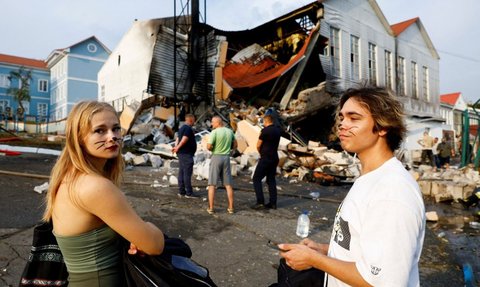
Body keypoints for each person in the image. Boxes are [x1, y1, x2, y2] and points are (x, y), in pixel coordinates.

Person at [278, 86, 426, 286]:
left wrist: (314, 260)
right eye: (342, 118)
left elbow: (382, 281)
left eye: (354, 118)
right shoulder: (369, 177)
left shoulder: (392, 192)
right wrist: (326, 250)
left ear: (383, 127)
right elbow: (364, 248)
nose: (342, 125)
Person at [43, 101, 165, 286]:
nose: (112, 137)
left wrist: (131, 237)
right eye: (100, 131)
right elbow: (154, 245)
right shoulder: (96, 187)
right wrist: (148, 228)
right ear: (79, 138)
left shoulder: (70, 177)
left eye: (116, 129)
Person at [206, 116, 237, 214]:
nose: (211, 124)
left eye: (212, 122)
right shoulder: (230, 131)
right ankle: (231, 207)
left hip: (216, 157)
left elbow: (209, 146)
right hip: (226, 157)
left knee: (212, 184)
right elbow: (235, 145)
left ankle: (211, 208)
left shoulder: (214, 132)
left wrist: (212, 148)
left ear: (217, 123)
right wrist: (230, 149)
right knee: (228, 184)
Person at [251, 114, 281, 210]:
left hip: (266, 158)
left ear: (266, 121)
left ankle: (260, 202)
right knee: (271, 180)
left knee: (256, 178)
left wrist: (260, 153)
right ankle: (273, 203)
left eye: (263, 121)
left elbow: (258, 145)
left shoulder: (265, 131)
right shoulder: (277, 130)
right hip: (274, 157)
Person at [172, 114, 198, 198]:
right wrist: (177, 148)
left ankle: (182, 191)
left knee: (182, 172)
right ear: (190, 120)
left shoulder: (182, 128)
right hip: (186, 154)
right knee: (187, 173)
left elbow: (177, 139)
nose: (194, 122)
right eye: (194, 120)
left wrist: (176, 147)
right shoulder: (188, 128)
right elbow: (184, 139)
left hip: (182, 153)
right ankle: (189, 193)